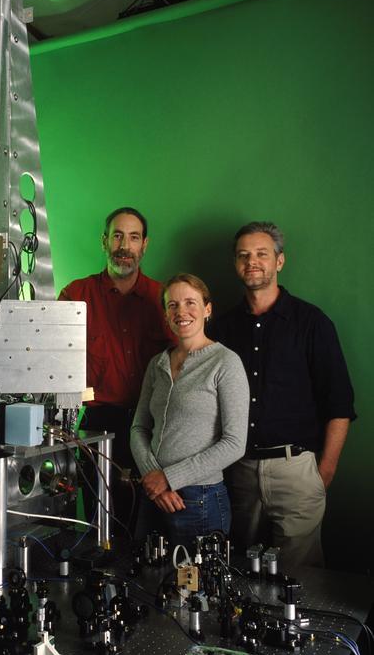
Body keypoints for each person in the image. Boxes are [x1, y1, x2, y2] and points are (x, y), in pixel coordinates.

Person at [211, 221, 356, 572]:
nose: (252, 261)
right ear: (235, 264)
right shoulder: (221, 329)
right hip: (239, 472)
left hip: (297, 472)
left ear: (279, 261)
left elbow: (339, 404)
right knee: (240, 572)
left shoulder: (312, 323)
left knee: (299, 580)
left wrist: (324, 473)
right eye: (244, 255)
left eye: (262, 253)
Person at [59, 207, 172, 531]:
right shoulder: (76, 295)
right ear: (104, 241)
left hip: (152, 426)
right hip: (97, 423)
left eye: (133, 237)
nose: (125, 245)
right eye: (118, 235)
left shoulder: (162, 298)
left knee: (150, 526)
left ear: (144, 245)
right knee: (100, 526)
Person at [130, 274, 249, 545]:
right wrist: (154, 479)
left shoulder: (226, 363)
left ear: (208, 309)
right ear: (165, 314)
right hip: (153, 497)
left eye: (190, 303)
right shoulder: (156, 364)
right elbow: (139, 427)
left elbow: (235, 443)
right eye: (172, 305)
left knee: (197, 586)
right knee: (145, 581)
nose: (181, 311)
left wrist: (169, 478)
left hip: (200, 501)